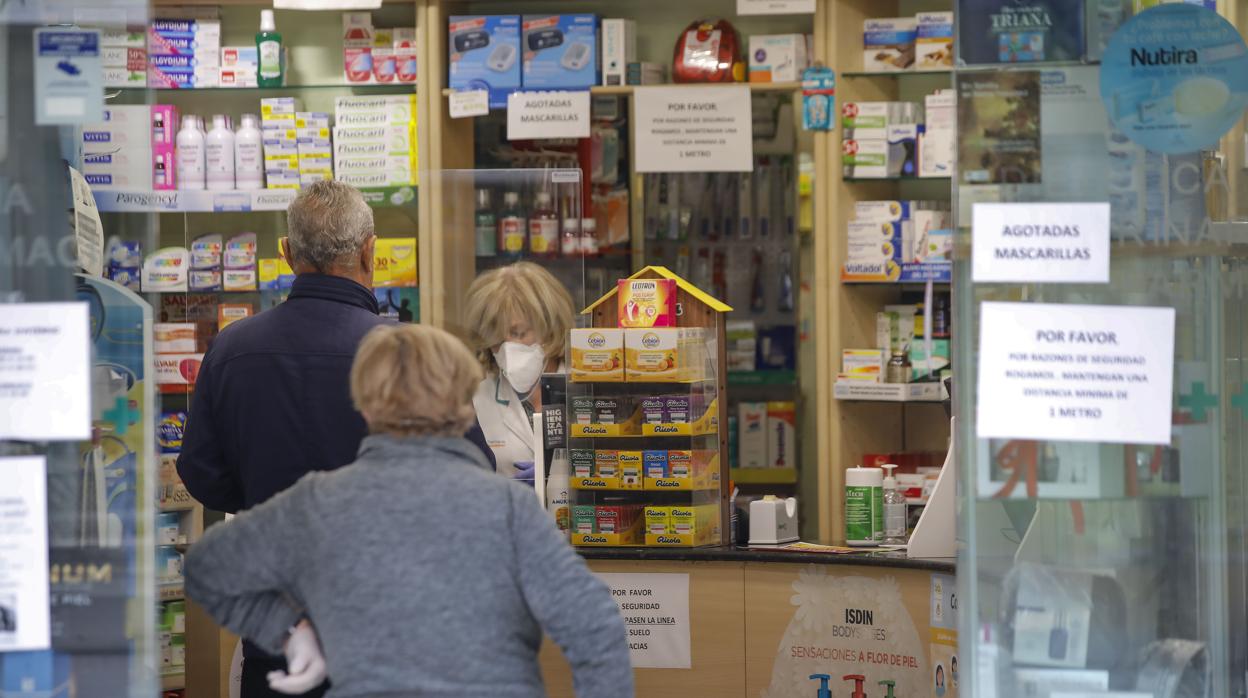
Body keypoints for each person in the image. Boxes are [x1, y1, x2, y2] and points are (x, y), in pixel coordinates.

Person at [184, 324, 633, 698]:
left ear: (364, 400)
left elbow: (207, 567)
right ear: (462, 401)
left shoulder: (319, 501)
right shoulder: (507, 509)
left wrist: (289, 632)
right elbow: (596, 628)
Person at [177, 181, 494, 697]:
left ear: (285, 254)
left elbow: (203, 475)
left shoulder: (233, 349)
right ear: (371, 252)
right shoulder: (409, 355)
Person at [463, 262, 575, 480]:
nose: (507, 349)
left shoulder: (587, 390)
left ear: (551, 327)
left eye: (519, 333)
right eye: (496, 339)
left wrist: (562, 474)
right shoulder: (475, 401)